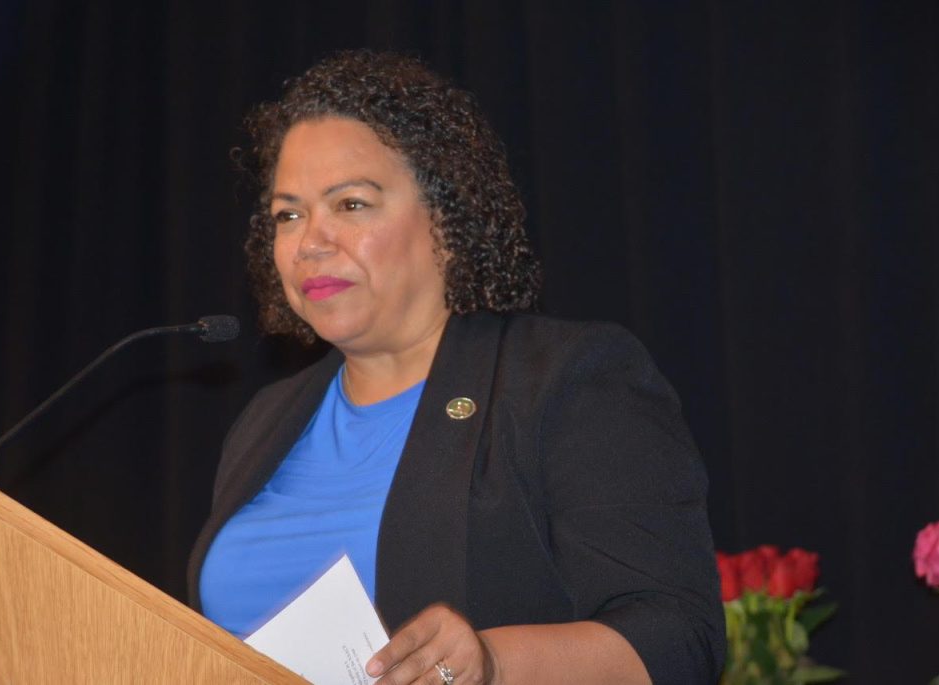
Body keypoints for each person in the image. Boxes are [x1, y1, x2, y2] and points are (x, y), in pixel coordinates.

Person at [188, 50, 724, 684]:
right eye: (289, 214)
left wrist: (494, 664)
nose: (310, 241)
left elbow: (677, 639)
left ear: (446, 216)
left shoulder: (563, 379)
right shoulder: (267, 420)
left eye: (351, 204)